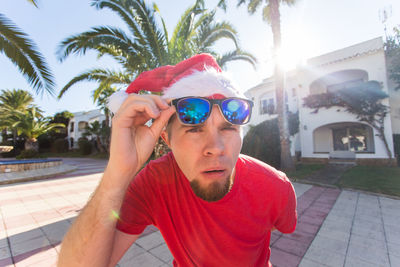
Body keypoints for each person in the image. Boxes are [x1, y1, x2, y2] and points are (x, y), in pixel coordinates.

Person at [58, 54, 297, 267]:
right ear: (166, 138)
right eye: (194, 129)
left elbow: (280, 225)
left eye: (228, 128)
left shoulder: (275, 186)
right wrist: (118, 172)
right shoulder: (154, 183)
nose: (215, 148)